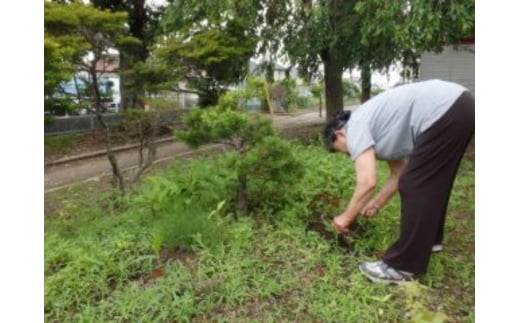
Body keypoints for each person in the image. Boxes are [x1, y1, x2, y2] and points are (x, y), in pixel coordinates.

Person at [323, 79, 474, 284]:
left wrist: (344, 218)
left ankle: (402, 266)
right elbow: (399, 173)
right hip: (459, 106)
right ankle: (429, 241)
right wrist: (376, 203)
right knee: (433, 183)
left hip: (445, 108)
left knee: (415, 184)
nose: (348, 155)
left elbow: (367, 182)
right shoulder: (379, 131)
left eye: (340, 150)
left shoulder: (354, 126)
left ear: (339, 134)